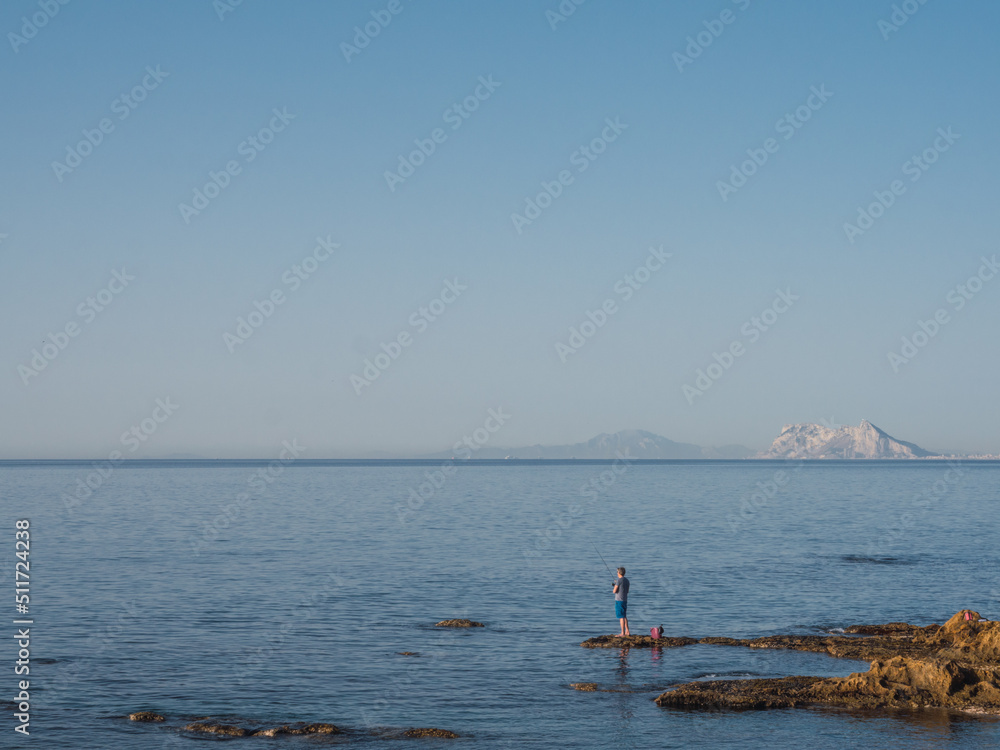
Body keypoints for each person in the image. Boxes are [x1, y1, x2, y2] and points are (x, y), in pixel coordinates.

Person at [613, 566, 630, 636]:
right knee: (624, 616)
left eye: (617, 572)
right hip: (625, 600)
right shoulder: (627, 580)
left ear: (619, 573)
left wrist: (615, 585)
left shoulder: (619, 581)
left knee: (621, 617)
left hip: (619, 600)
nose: (617, 573)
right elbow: (627, 591)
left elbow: (614, 591)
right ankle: (627, 631)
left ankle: (622, 633)